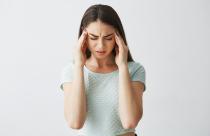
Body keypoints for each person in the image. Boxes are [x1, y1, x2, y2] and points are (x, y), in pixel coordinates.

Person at [59, 4, 146, 136]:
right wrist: (79, 66)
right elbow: (75, 122)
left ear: (118, 35)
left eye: (108, 38)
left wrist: (122, 67)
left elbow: (129, 122)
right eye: (93, 37)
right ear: (84, 34)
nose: (101, 45)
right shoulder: (71, 71)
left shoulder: (134, 70)